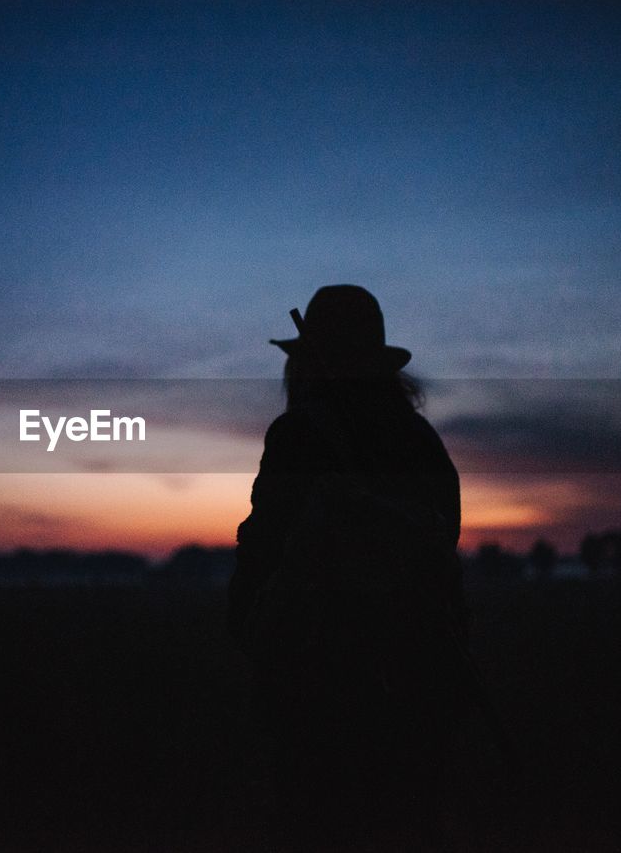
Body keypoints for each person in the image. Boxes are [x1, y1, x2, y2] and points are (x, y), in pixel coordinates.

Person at [229, 285, 468, 851]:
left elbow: (263, 548)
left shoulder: (298, 435)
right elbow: (444, 545)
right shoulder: (419, 439)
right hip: (417, 682)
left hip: (318, 684)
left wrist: (254, 628)